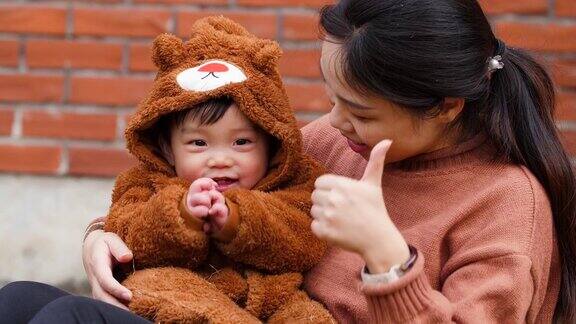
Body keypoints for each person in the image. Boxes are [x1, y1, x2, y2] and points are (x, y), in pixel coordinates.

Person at [3, 0, 576, 322]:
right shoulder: (335, 140)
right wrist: (101, 238)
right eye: (332, 100)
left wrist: (387, 256)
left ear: (446, 106)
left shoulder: (505, 203)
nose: (335, 122)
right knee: (19, 300)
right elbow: (218, 189)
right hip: (236, 310)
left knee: (70, 323)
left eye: (361, 111)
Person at [0, 16, 332, 324]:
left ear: (272, 143)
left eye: (241, 142)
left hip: (238, 314)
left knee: (69, 314)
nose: (220, 159)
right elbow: (126, 232)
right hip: (155, 302)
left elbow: (302, 237)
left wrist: (235, 221)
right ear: (167, 149)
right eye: (199, 144)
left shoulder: (292, 184)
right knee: (17, 298)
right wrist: (179, 214)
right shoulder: (146, 183)